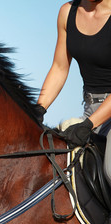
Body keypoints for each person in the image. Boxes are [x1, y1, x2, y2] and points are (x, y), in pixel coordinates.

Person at [36, 0, 111, 187]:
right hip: (90, 108)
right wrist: (38, 109)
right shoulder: (67, 12)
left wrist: (89, 124)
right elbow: (60, 68)